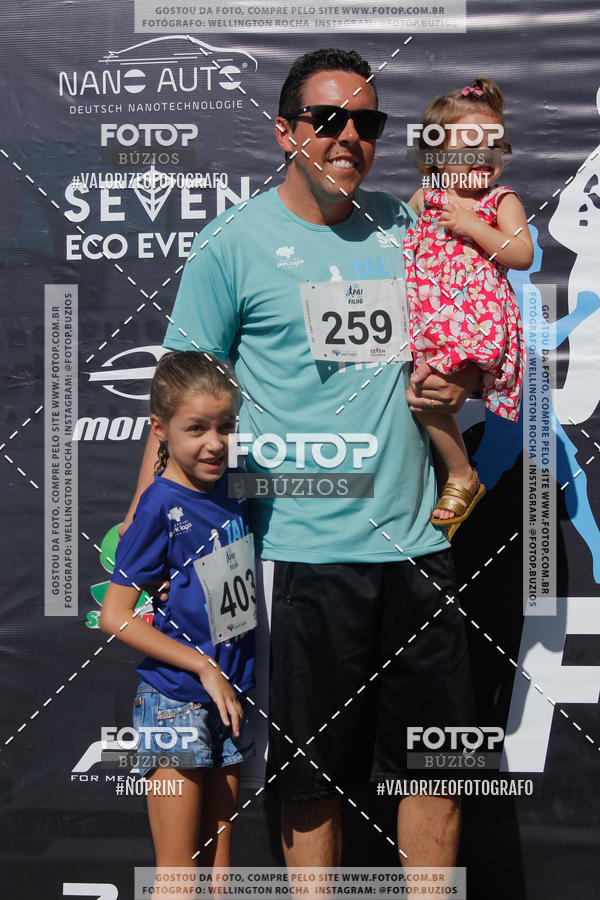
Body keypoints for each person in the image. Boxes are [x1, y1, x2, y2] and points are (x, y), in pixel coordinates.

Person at [123, 49, 480, 867]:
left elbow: (460, 345)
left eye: (367, 122)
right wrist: (148, 555)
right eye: (328, 120)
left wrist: (459, 380)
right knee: (309, 785)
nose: (349, 136)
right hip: (295, 558)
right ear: (286, 132)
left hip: (417, 549)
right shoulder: (232, 244)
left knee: (439, 774)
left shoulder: (407, 231)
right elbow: (174, 409)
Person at [100, 351, 256, 871]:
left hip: (229, 696)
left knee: (218, 872)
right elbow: (115, 615)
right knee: (178, 873)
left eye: (226, 426)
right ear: (160, 430)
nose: (215, 442)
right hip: (174, 700)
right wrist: (203, 666)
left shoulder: (238, 485)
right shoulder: (158, 504)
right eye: (196, 428)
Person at [404, 77, 533, 539]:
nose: (483, 155)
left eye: (492, 145)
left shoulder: (501, 200)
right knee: (420, 397)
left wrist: (473, 225)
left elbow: (522, 254)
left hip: (477, 320)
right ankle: (447, 477)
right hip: (431, 318)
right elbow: (404, 242)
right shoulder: (426, 198)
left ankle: (461, 475)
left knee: (426, 394)